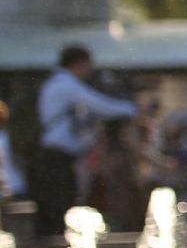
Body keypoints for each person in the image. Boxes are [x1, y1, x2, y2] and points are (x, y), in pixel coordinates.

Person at [30, 45, 138, 237]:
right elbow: (99, 105)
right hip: (57, 158)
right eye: (88, 65)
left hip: (56, 156)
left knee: (58, 207)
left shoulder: (56, 83)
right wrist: (131, 108)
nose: (91, 70)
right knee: (58, 205)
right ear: (79, 64)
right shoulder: (65, 85)